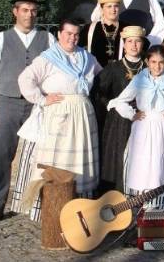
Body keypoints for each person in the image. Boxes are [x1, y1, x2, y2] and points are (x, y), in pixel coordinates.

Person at [0, 0, 54, 224]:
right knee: (2, 155)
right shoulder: (2, 38)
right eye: (25, 10)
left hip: (37, 105)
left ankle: (38, 205)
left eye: (33, 10)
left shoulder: (47, 39)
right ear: (15, 12)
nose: (29, 14)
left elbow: (54, 70)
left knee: (41, 157)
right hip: (8, 103)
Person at [16, 20, 102, 220]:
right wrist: (42, 99)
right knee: (57, 162)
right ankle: (52, 210)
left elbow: (101, 75)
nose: (72, 38)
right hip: (59, 117)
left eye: (76, 35)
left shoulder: (86, 58)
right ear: (59, 34)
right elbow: (25, 79)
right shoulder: (48, 58)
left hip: (82, 116)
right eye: (68, 33)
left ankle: (80, 210)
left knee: (79, 161)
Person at [108, 45, 164, 194]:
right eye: (153, 62)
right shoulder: (140, 79)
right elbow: (120, 101)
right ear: (147, 62)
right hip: (143, 127)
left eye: (161, 62)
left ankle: (163, 206)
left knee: (162, 165)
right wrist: (132, 114)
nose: (157, 66)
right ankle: (141, 204)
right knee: (143, 165)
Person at [90, 26, 147, 193]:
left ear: (142, 44)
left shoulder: (149, 68)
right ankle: (116, 196)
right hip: (118, 123)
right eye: (130, 41)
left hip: (143, 120)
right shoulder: (114, 68)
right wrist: (111, 104)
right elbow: (98, 92)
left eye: (137, 41)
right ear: (124, 44)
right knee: (118, 158)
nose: (134, 45)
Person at [81, 0, 125, 66]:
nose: (113, 10)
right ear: (102, 9)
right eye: (109, 6)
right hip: (95, 71)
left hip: (120, 72)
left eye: (116, 6)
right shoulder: (90, 28)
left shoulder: (126, 28)